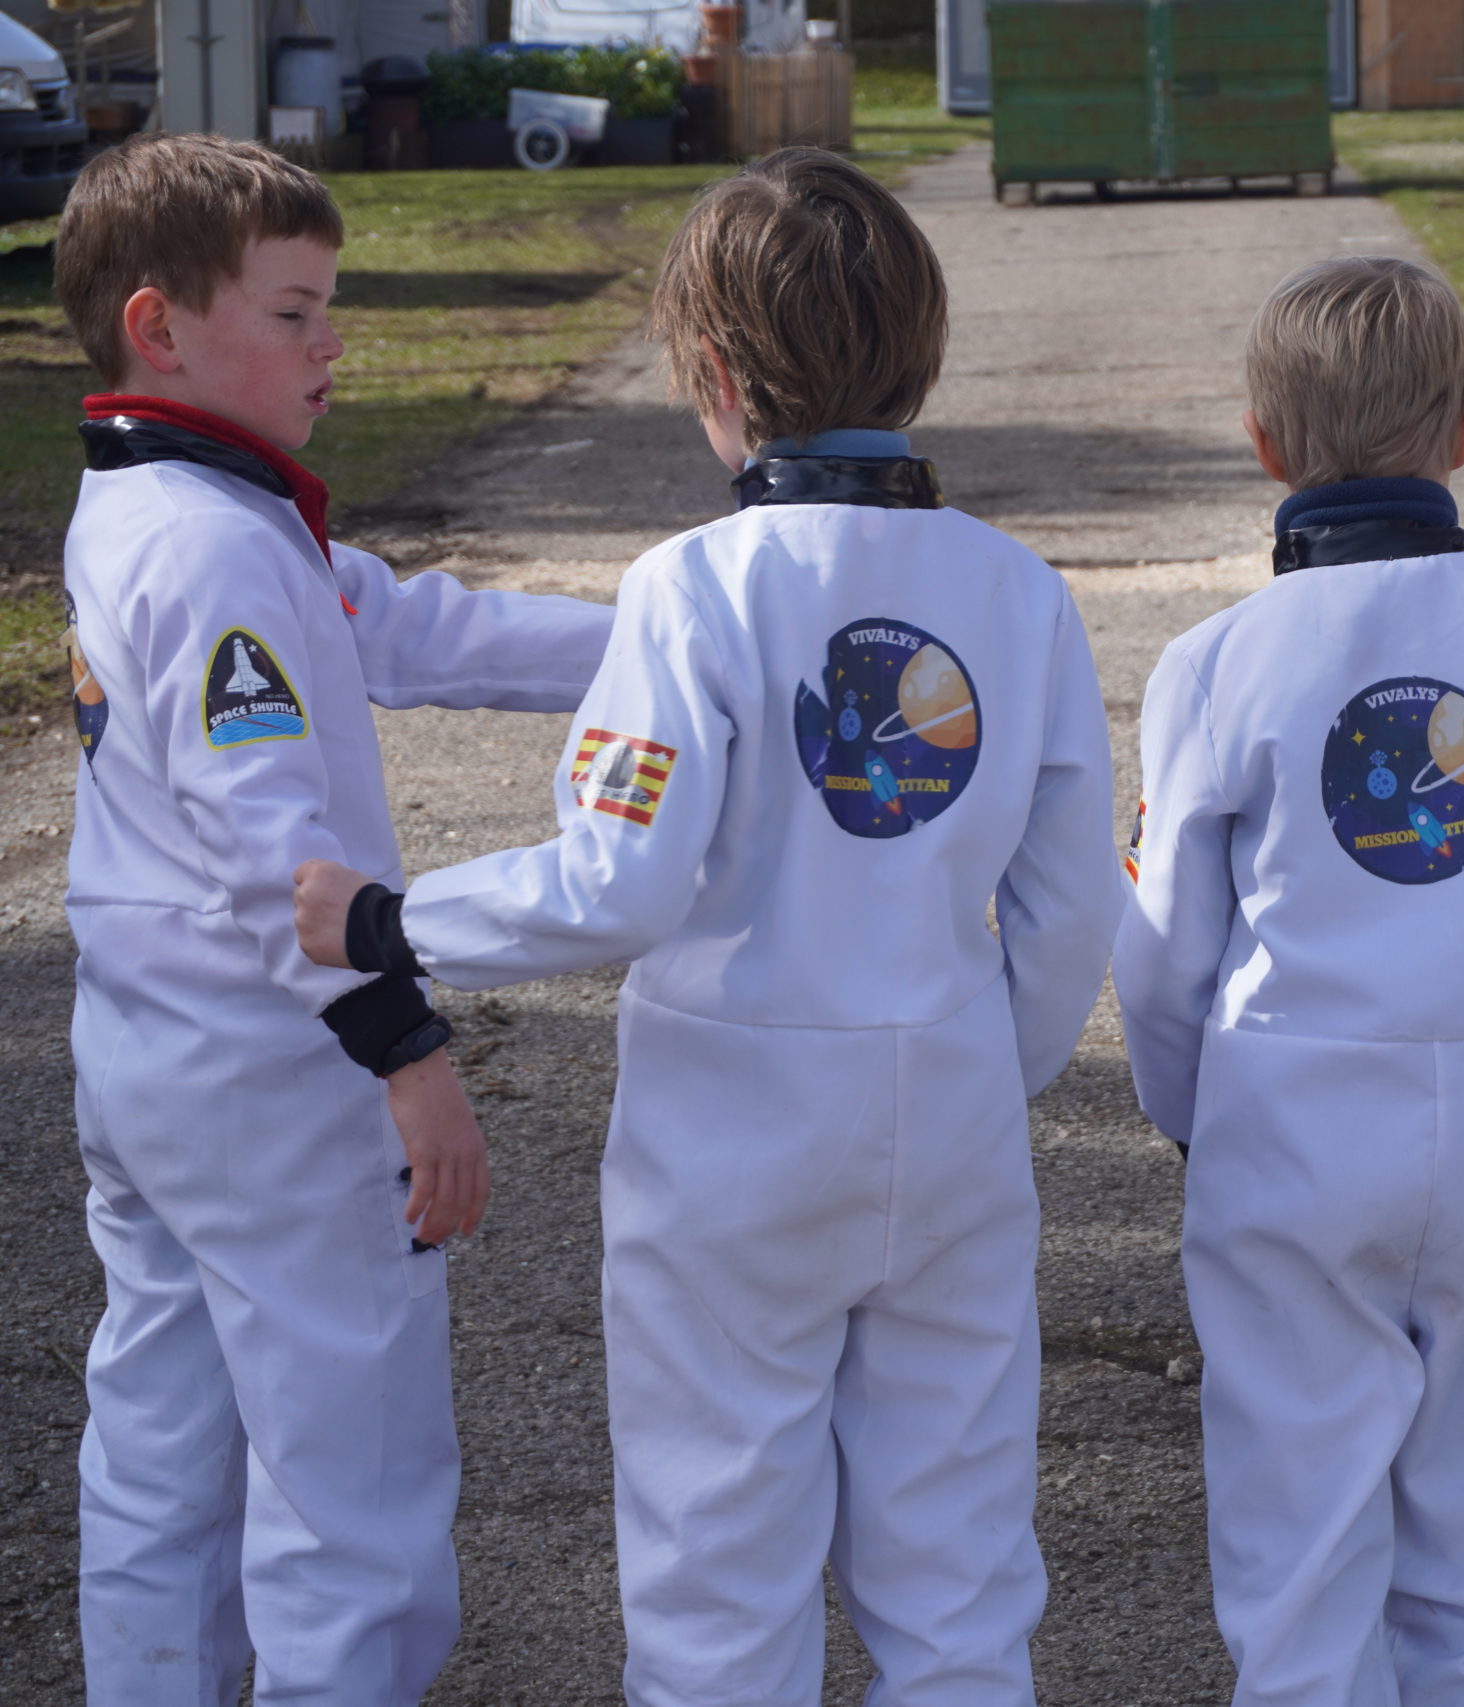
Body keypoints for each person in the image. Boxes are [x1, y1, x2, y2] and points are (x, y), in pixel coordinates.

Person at [294, 148, 1121, 1707]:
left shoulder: (689, 589)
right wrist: (964, 1070)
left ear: (715, 376)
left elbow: (617, 882)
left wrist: (393, 924)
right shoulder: (1022, 594)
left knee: (716, 1565)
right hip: (947, 1110)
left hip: (732, 1143)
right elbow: (1072, 905)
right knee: (959, 1579)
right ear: (922, 355)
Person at [51, 133, 613, 1703]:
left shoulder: (171, 509)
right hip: (281, 1088)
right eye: (295, 313)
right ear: (161, 327)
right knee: (348, 1482)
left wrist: (676, 635)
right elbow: (272, 867)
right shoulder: (220, 551)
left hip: (155, 1066)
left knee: (162, 1452)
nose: (332, 343)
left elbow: (415, 623)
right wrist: (412, 1062)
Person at [1113, 254, 1464, 1707]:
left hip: (1292, 1136)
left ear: (1264, 447)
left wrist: (1191, 1119)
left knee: (1301, 1552)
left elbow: (1165, 952)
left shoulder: (1212, 666)